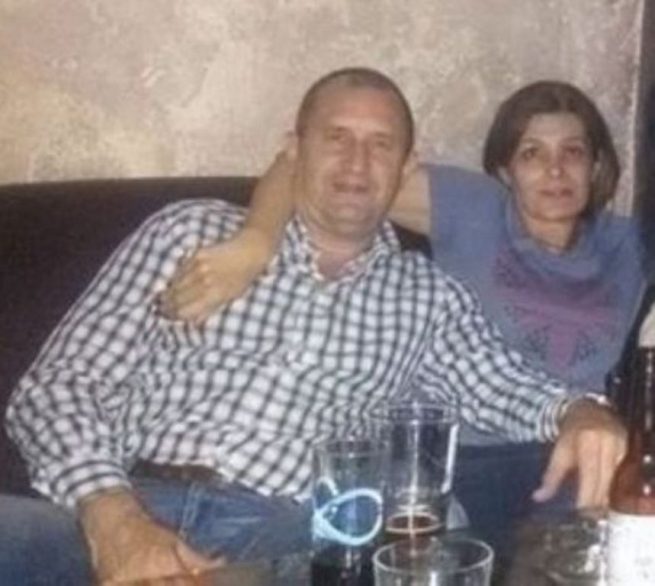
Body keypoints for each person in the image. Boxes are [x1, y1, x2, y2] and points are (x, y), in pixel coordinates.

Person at [2, 68, 625, 586]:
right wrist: (112, 516)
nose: (357, 161)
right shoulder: (190, 233)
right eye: (336, 137)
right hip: (121, 496)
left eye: (381, 144)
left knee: (410, 552)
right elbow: (59, 387)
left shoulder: (426, 295)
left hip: (288, 535)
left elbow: (502, 383)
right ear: (294, 148)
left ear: (406, 165)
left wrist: (580, 412)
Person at [160, 80, 646, 550]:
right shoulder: (474, 208)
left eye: (573, 152)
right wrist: (257, 242)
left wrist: (592, 419)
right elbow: (313, 170)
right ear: (504, 170)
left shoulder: (629, 246)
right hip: (459, 452)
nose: (556, 170)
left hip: (578, 442)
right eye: (532, 153)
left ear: (597, 164)